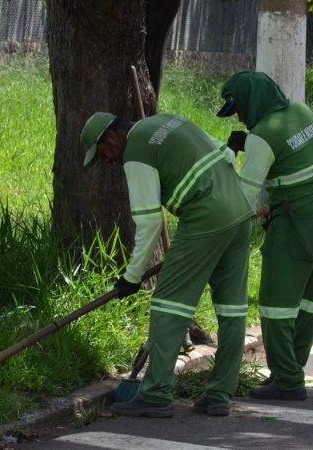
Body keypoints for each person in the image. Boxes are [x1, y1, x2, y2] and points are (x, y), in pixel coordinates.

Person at [80, 111, 252, 417]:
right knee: (232, 309)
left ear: (111, 137)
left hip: (205, 214)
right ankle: (219, 395)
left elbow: (148, 222)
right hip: (239, 211)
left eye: (104, 154)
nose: (107, 162)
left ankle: (156, 394)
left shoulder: (136, 152)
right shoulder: (167, 121)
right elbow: (223, 153)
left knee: (168, 304)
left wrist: (131, 277)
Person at [217, 71, 313, 400]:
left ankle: (286, 380)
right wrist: (251, 144)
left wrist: (232, 155)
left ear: (252, 102)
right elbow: (292, 154)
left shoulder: (262, 137)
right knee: (309, 301)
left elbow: (243, 198)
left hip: (295, 221)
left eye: (239, 109)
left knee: (275, 304)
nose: (240, 117)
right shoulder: (303, 112)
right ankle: (291, 371)